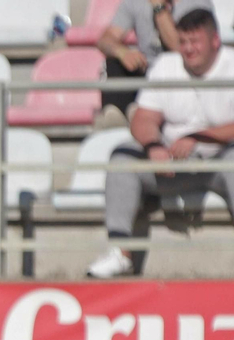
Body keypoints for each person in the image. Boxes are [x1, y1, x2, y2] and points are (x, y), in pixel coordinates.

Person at [88, 0, 234, 278]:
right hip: (170, 163)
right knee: (123, 157)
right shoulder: (167, 65)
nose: (188, 49)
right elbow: (143, 117)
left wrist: (199, 136)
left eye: (195, 41)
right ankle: (120, 252)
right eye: (184, 41)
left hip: (219, 160)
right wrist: (153, 146)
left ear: (215, 40)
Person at [99, 0, 181, 112]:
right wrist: (123, 53)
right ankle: (116, 118)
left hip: (180, 74)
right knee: (113, 62)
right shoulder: (135, 3)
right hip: (147, 72)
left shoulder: (193, 3)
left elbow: (179, 47)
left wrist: (159, 7)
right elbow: (105, 40)